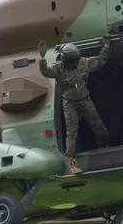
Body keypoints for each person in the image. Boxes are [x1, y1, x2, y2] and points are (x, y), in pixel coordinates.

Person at [38, 38, 110, 173]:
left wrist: (106, 46)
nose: (73, 63)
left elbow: (100, 61)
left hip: (85, 100)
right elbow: (46, 72)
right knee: (71, 133)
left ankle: (104, 147)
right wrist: (42, 60)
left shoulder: (83, 62)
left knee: (99, 127)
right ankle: (72, 164)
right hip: (69, 103)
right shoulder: (59, 68)